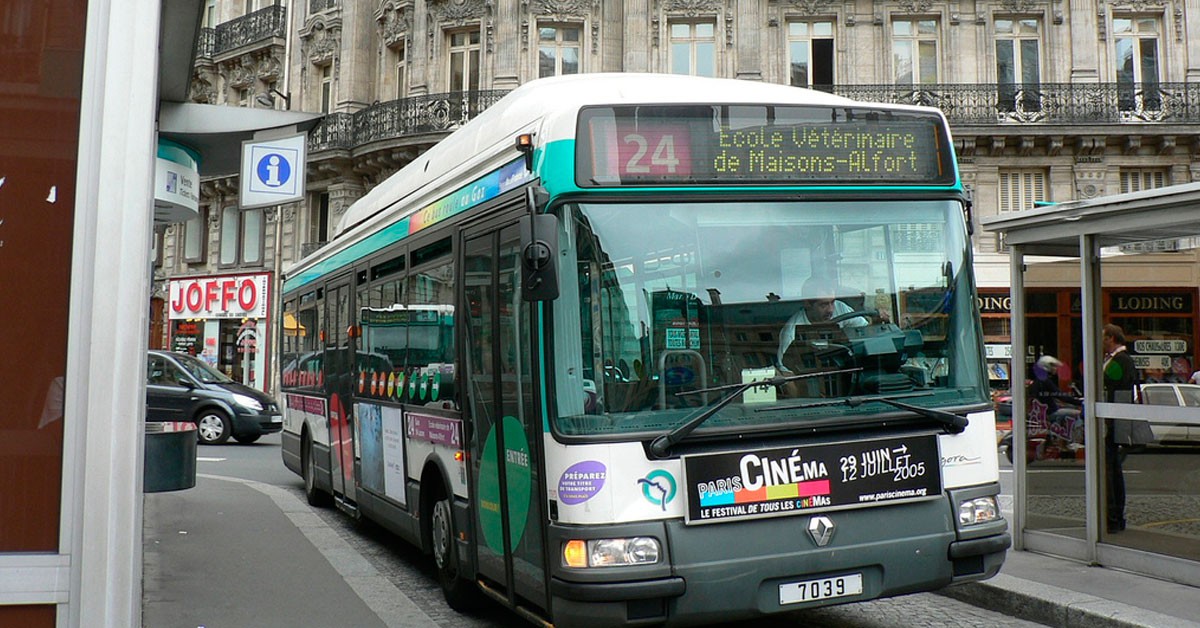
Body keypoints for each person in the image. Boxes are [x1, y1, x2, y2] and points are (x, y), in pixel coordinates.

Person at [777, 277, 880, 368]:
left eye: (832, 302)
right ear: (807, 303)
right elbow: (785, 370)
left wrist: (876, 323)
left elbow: (865, 330)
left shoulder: (840, 308)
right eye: (824, 305)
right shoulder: (791, 331)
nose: (831, 310)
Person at [1101, 323, 1137, 533]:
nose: (1102, 342)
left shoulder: (1121, 361)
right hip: (1113, 419)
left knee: (1111, 469)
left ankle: (1114, 516)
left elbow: (1113, 387)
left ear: (1112, 338)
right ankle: (1114, 515)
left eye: (1104, 338)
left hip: (1114, 421)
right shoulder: (1118, 361)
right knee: (1112, 468)